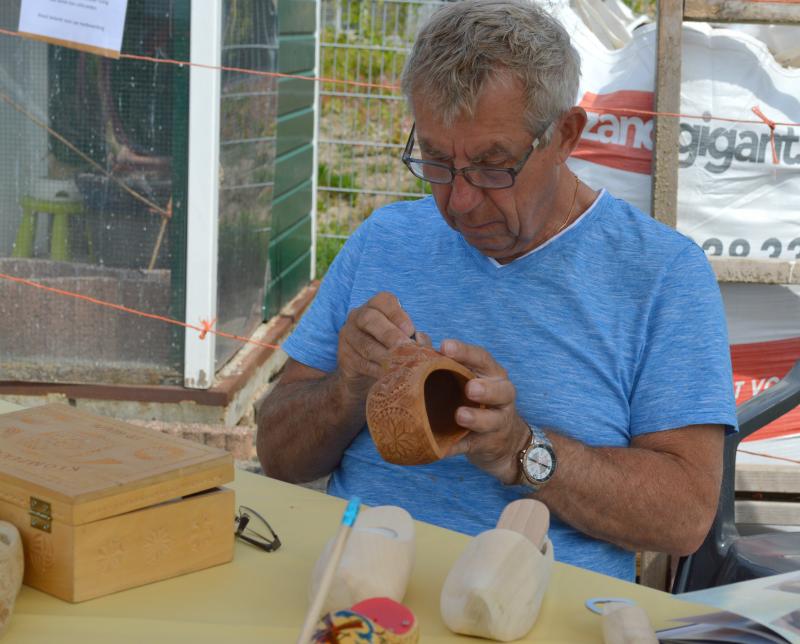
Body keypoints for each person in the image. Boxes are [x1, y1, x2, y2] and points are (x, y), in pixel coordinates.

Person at [256, 0, 736, 581]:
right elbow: (276, 455)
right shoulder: (386, 238)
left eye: (492, 165)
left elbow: (685, 516)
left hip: (534, 606)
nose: (459, 202)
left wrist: (521, 451)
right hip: (354, 590)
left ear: (565, 135)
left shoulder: (660, 274)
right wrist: (346, 390)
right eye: (436, 161)